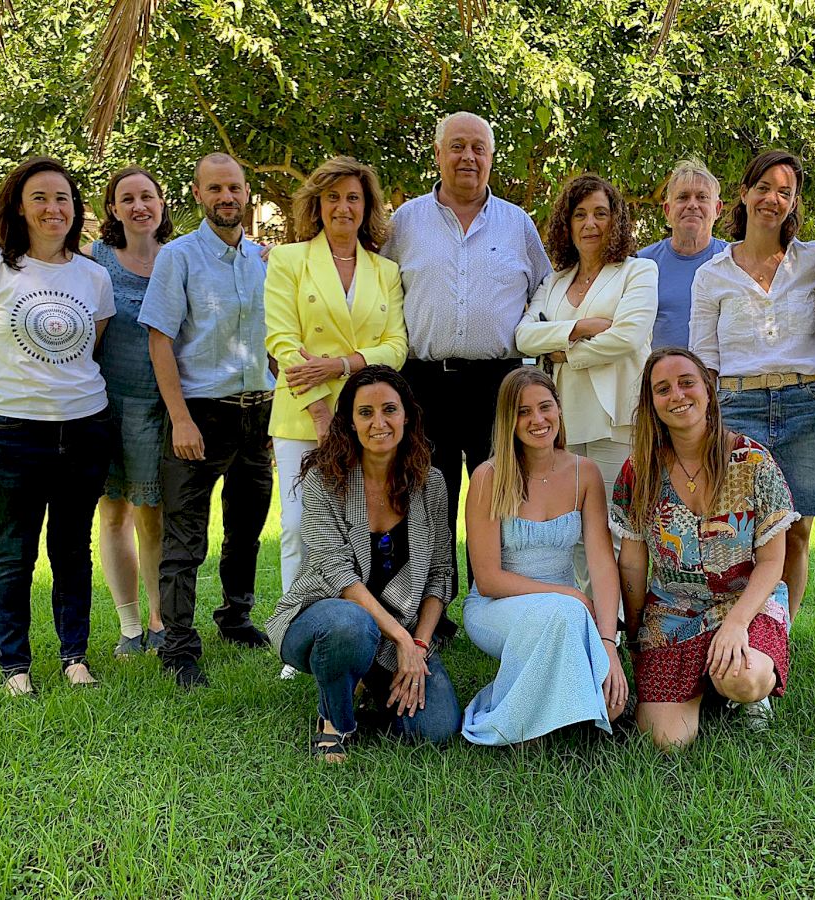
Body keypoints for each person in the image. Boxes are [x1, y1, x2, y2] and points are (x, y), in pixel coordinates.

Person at [0, 157, 115, 695]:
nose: (52, 208)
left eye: (62, 198)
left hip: (85, 429)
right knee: (14, 549)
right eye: (39, 197)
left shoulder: (94, 276)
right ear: (20, 207)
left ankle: (75, 656)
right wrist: (3, 401)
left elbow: (88, 349)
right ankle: (15, 665)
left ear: (75, 208)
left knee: (72, 548)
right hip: (12, 434)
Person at [383, 111, 552, 596]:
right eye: (457, 146)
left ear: (491, 158)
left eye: (479, 148)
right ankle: (429, 606)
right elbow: (380, 289)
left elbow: (546, 292)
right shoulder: (405, 222)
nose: (468, 157)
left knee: (498, 496)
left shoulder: (517, 224)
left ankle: (492, 600)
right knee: (426, 495)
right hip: (423, 382)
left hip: (497, 384)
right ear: (438, 154)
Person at [688, 150, 815, 620]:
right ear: (744, 194)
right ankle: (737, 627)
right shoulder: (712, 275)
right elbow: (704, 360)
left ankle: (780, 637)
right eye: (763, 188)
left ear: (794, 201)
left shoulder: (814, 259)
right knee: (737, 532)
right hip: (737, 407)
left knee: (797, 532)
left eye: (785, 192)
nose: (772, 199)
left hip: (809, 404)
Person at [265, 366, 460, 761]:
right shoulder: (324, 480)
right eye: (365, 413)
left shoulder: (432, 483)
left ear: (407, 416)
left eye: (389, 409)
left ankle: (364, 680)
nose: (379, 423)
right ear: (350, 422)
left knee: (436, 729)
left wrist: (418, 644)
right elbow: (340, 577)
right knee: (350, 624)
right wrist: (401, 640)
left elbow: (440, 575)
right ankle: (334, 719)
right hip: (325, 616)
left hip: (401, 626)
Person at [613, 349, 797, 748]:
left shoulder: (753, 461)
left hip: (744, 604)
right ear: (651, 403)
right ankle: (708, 682)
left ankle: (748, 694)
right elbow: (632, 564)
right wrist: (637, 637)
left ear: (708, 390)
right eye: (663, 389)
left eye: (687, 383)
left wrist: (737, 624)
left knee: (744, 679)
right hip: (672, 612)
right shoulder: (639, 471)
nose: (677, 395)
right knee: (666, 741)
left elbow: (772, 561)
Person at [138, 152, 274, 689]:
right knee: (185, 538)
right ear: (197, 194)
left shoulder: (262, 260)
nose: (226, 197)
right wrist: (180, 419)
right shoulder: (179, 257)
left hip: (258, 415)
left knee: (246, 529)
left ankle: (235, 617)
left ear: (246, 192)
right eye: (215, 188)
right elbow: (160, 340)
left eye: (234, 187)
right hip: (200, 415)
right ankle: (178, 647)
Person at [461, 367, 628, 745]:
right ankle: (513, 723)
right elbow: (488, 579)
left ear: (559, 409)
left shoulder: (585, 473)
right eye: (523, 412)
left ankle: (553, 711)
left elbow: (603, 565)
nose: (537, 419)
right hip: (496, 607)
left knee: (613, 705)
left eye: (545, 407)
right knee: (563, 613)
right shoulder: (489, 477)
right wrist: (568, 594)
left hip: (569, 615)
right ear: (508, 420)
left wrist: (608, 644)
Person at [264, 155, 406, 595]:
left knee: (359, 526)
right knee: (298, 526)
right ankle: (296, 620)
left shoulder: (386, 271)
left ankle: (363, 617)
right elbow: (282, 340)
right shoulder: (288, 260)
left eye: (353, 198)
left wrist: (342, 365)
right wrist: (322, 413)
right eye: (332, 197)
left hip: (368, 418)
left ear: (367, 206)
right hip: (302, 416)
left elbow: (396, 347)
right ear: (317, 204)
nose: (343, 207)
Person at [514, 173, 657, 593]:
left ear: (617, 220)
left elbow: (627, 337)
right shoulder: (555, 281)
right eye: (580, 214)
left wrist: (564, 351)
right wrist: (581, 328)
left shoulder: (638, 271)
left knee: (618, 530)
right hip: (564, 423)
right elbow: (523, 336)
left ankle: (618, 622)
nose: (590, 223)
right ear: (567, 223)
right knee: (575, 532)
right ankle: (586, 617)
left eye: (600, 213)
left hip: (616, 421)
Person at [91, 166, 174, 656]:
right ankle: (129, 628)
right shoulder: (94, 259)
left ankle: (160, 621)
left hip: (160, 409)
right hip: (104, 406)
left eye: (148, 196)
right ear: (114, 209)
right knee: (113, 515)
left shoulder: (180, 258)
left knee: (153, 519)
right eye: (128, 198)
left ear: (161, 204)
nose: (139, 206)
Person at [637, 158, 726, 349]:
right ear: (667, 210)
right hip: (657, 368)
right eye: (683, 197)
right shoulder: (641, 264)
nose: (692, 205)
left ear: (717, 209)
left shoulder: (734, 260)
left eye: (702, 197)